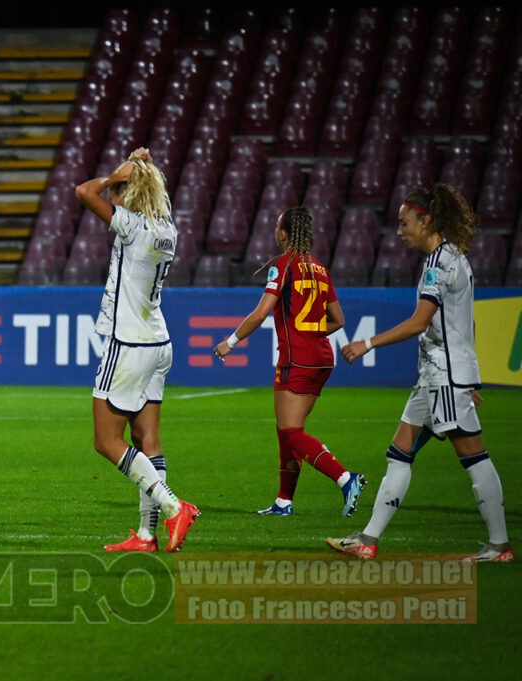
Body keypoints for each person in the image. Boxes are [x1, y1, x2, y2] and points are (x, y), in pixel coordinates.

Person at [327, 184, 513, 562]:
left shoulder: (439, 264)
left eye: (404, 222)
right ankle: (367, 539)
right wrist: (470, 375)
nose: (399, 231)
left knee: (474, 457)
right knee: (399, 453)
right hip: (438, 376)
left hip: (443, 376)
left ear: (425, 220)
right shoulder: (453, 257)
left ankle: (499, 545)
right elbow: (467, 323)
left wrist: (368, 343)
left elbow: (418, 322)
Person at [75, 147, 199, 553]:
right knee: (149, 441)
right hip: (159, 343)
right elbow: (110, 200)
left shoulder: (132, 226)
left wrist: (115, 173)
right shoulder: (167, 227)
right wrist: (133, 171)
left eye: (123, 187)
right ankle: (146, 536)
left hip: (128, 342)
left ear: (131, 189)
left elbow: (85, 192)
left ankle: (173, 506)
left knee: (106, 441)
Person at [214, 206, 366, 517]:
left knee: (291, 433)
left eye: (276, 226)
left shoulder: (283, 266)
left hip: (296, 359)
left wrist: (230, 342)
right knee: (288, 428)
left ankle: (345, 478)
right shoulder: (321, 269)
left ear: (283, 233)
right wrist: (311, 331)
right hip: (322, 357)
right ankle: (284, 501)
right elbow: (338, 320)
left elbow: (260, 313)